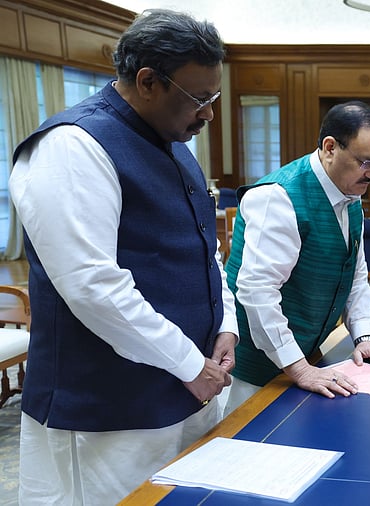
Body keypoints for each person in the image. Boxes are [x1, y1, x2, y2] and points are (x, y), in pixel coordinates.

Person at [10, 9, 237, 504]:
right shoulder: (73, 146)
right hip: (109, 410)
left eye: (213, 97)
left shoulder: (174, 144)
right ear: (148, 81)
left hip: (188, 388)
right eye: (199, 99)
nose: (209, 115)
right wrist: (189, 364)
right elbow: (92, 286)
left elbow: (204, 248)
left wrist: (226, 324)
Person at [223, 101, 370, 414]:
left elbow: (355, 273)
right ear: (330, 147)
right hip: (255, 375)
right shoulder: (277, 197)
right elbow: (256, 293)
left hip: (305, 358)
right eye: (366, 163)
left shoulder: (349, 193)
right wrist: (300, 368)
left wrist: (363, 337)